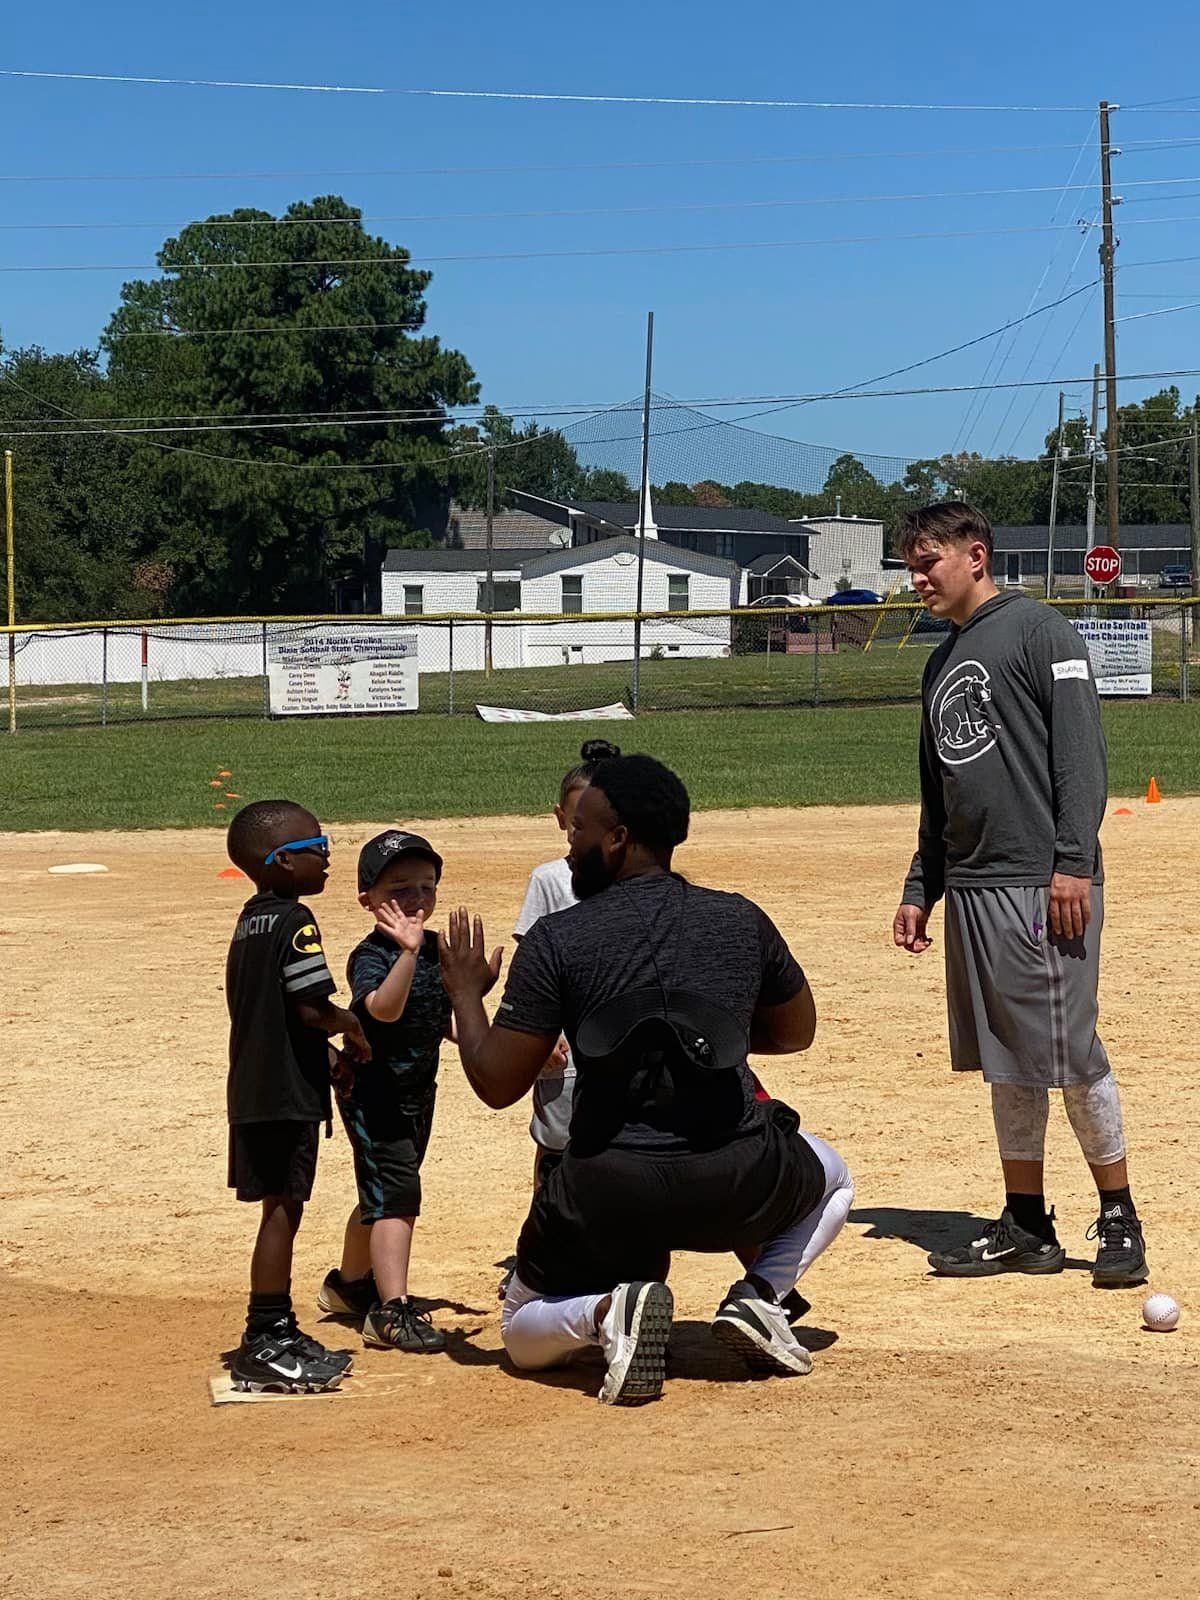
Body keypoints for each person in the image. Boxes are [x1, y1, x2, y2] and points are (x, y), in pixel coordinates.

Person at [438, 754, 854, 1406]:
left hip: (607, 1192)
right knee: (834, 1173)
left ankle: (609, 1313)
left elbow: (497, 1083)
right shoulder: (740, 918)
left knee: (519, 1327)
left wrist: (464, 994)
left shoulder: (557, 939)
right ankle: (760, 1295)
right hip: (735, 1181)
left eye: (580, 830)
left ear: (618, 838)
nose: (570, 844)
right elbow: (796, 1031)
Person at [891, 501, 1149, 1287]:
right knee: (1008, 1059)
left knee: (1069, 1053)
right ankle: (1027, 1222)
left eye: (928, 560)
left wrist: (1072, 863)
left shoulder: (1042, 632)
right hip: (972, 883)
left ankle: (1119, 1216)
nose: (917, 577)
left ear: (976, 554)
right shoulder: (941, 661)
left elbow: (1082, 757)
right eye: (910, 564)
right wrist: (920, 884)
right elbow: (939, 791)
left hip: (1042, 882)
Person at [224, 800, 371, 1394]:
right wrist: (352, 1028)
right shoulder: (296, 920)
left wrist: (326, 1058)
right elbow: (311, 1009)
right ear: (282, 864)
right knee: (283, 1210)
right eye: (317, 845)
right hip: (285, 1093)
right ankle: (267, 1337)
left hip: (256, 1085)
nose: (328, 853)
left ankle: (273, 1329)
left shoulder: (250, 919)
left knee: (277, 1208)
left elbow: (268, 1013)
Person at [317, 831, 460, 1353]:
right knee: (398, 1195)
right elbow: (383, 1009)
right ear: (368, 901)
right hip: (372, 1094)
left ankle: (348, 1286)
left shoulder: (436, 949)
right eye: (400, 889)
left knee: (380, 1195)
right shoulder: (373, 954)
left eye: (427, 885)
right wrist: (407, 951)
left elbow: (442, 1017)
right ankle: (390, 1311)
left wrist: (476, 1013)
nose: (417, 898)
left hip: (417, 1091)